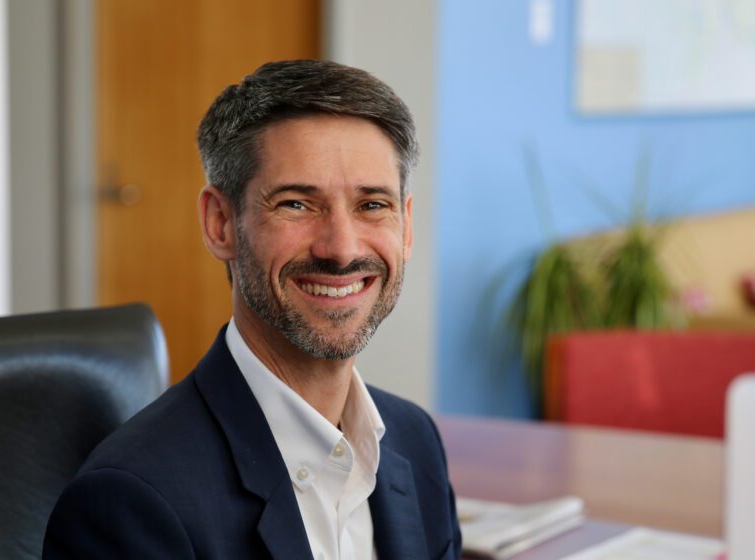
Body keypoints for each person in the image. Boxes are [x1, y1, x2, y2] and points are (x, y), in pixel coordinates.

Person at [43, 59, 462, 560]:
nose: (342, 249)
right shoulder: (131, 503)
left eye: (372, 205)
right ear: (221, 224)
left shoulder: (414, 441)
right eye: (296, 204)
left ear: (406, 227)